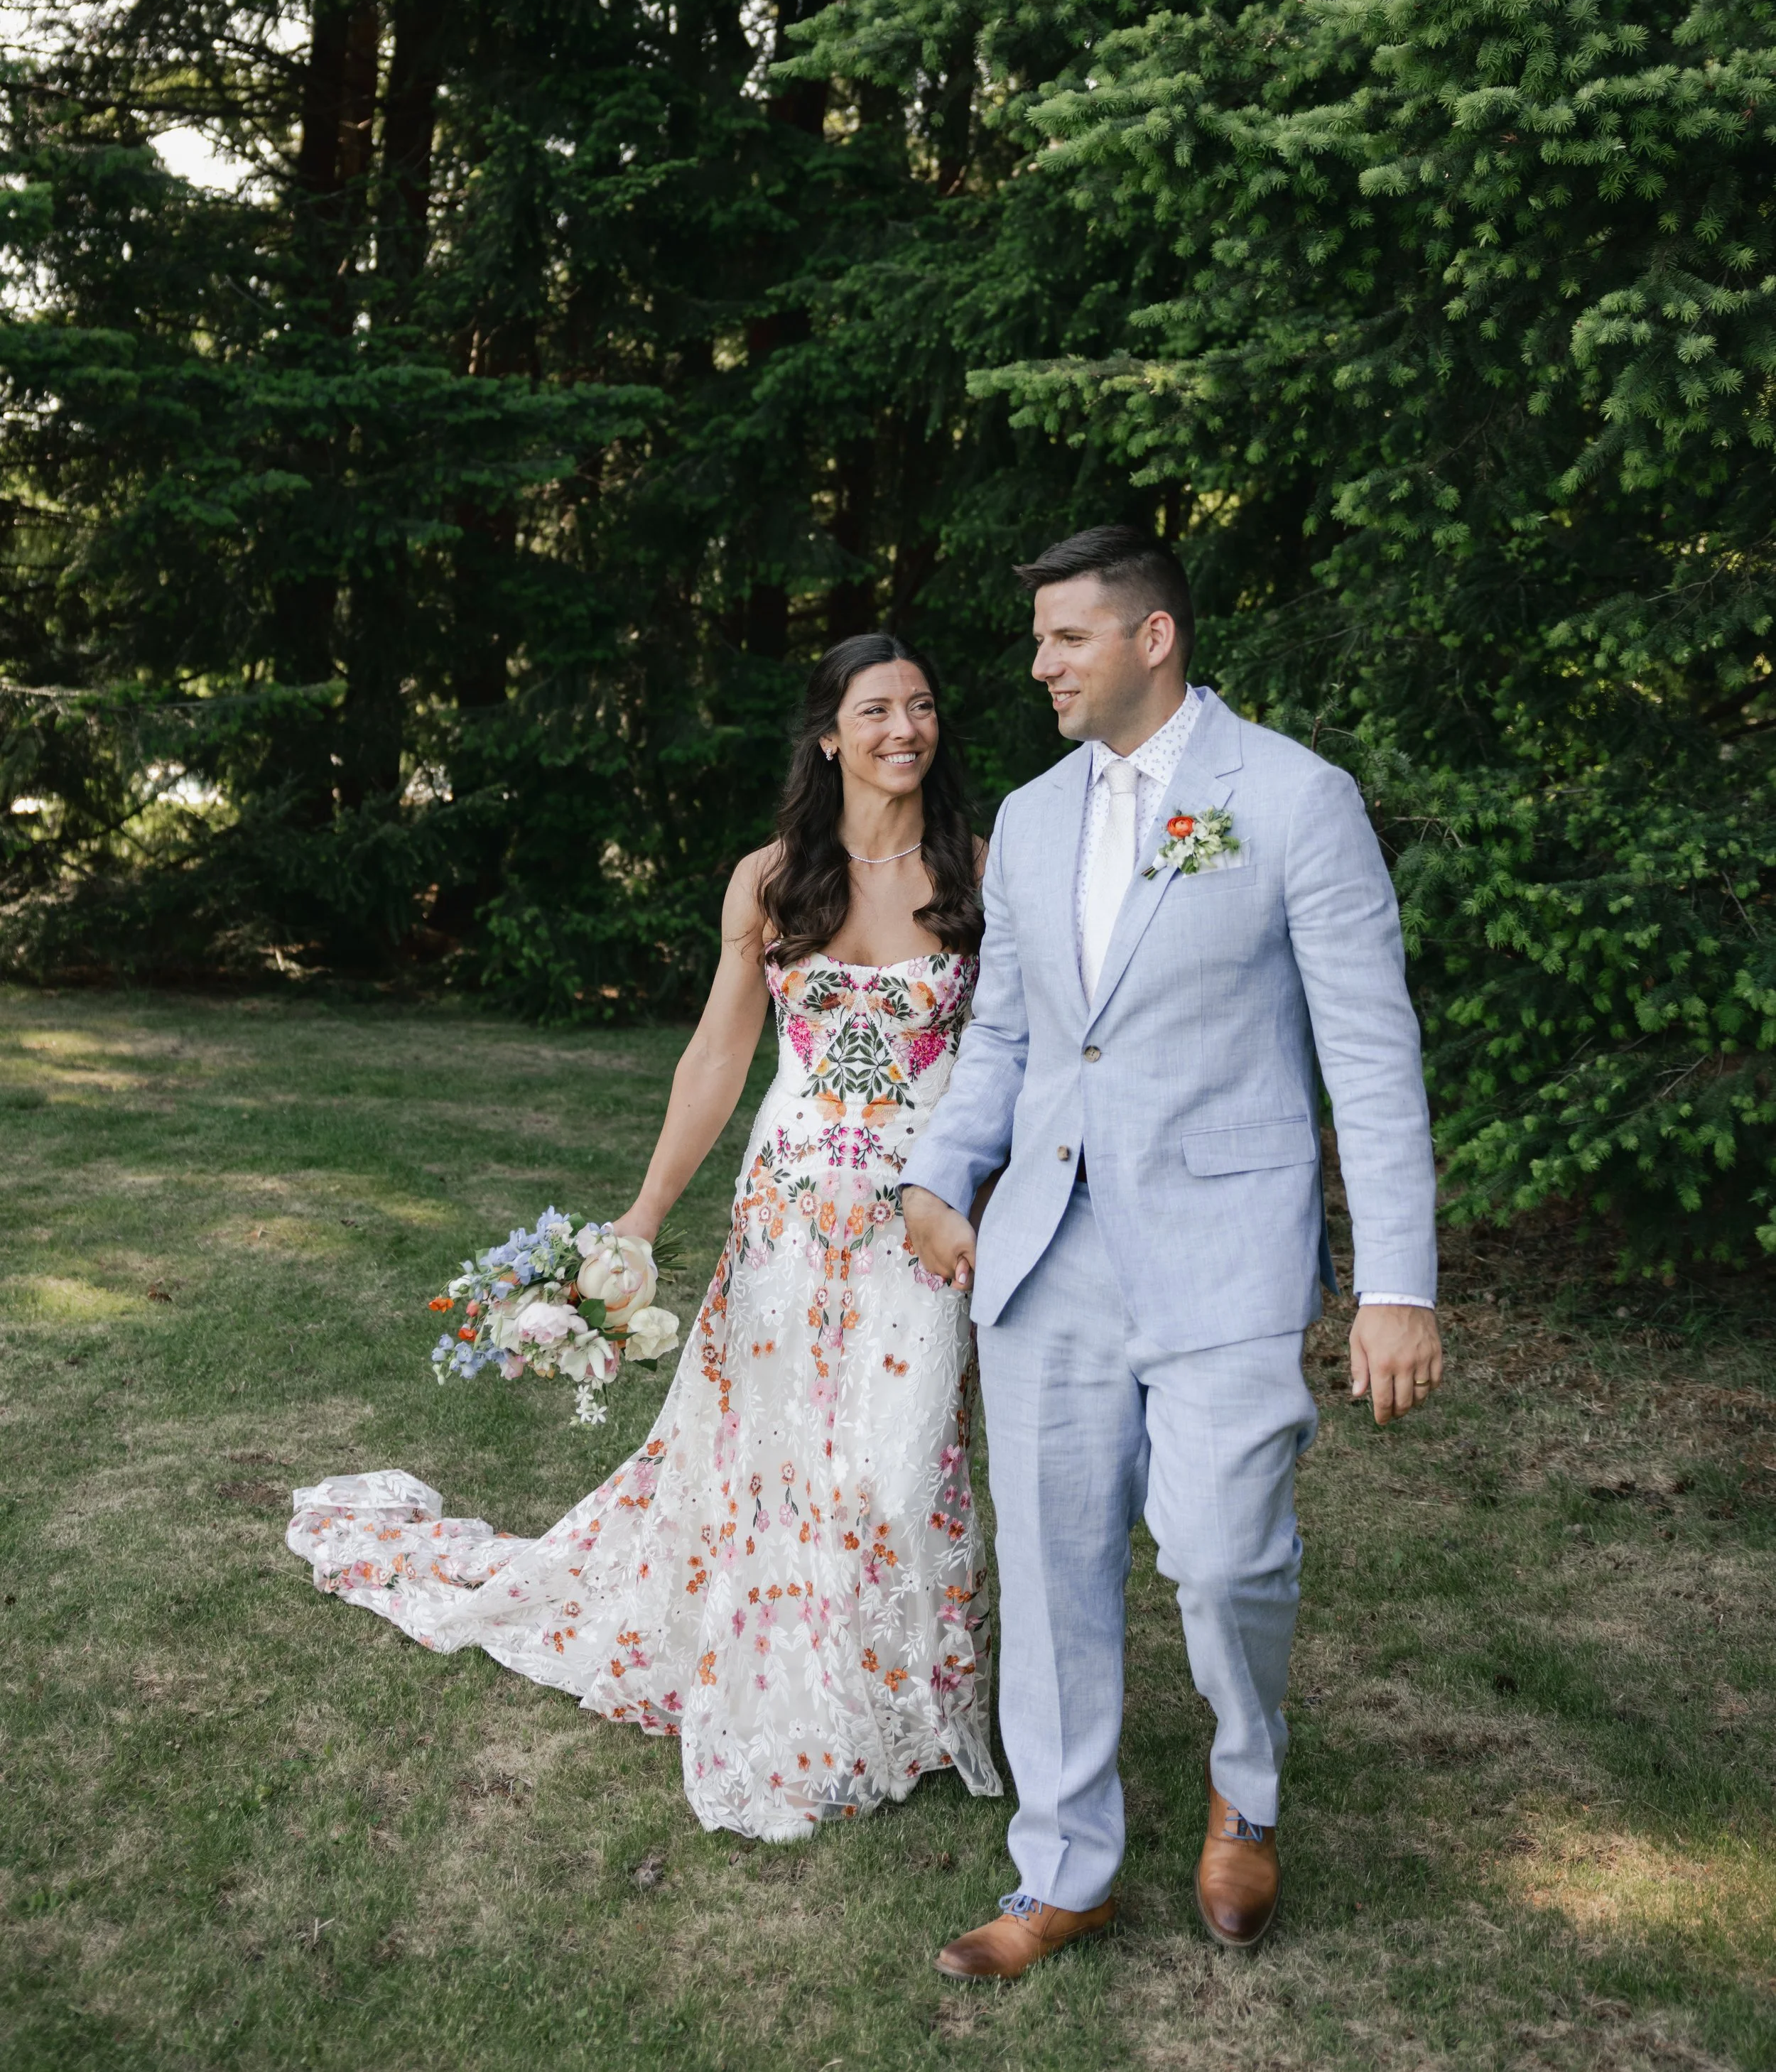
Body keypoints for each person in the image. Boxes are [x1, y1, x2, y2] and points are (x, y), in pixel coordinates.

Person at [286, 634, 1001, 1842]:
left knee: (897, 1465)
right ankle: (808, 1705)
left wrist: (981, 1186)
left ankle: (914, 1697)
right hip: (785, 1213)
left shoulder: (985, 869)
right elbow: (721, 1056)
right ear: (828, 733)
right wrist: (643, 1217)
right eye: (875, 709)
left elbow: (1009, 1052)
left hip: (924, 1218)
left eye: (922, 706)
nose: (904, 730)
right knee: (777, 1464)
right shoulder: (772, 880)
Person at [899, 524, 1441, 1974]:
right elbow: (1008, 1029)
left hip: (1222, 1245)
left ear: (1151, 638)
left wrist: (1394, 1281)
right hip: (1045, 1251)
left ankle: (1242, 1787)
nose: (1037, 666)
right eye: (1034, 640)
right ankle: (1062, 1869)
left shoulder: (1292, 797)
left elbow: (1369, 1051)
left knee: (1221, 1556)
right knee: (1057, 1564)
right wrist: (940, 1172)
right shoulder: (1023, 814)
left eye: (1063, 637)